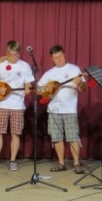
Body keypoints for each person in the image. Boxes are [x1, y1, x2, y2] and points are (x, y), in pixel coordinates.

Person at [0, 40, 34, 171]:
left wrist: (28, 89)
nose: (14, 57)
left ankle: (12, 161)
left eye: (16, 54)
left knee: (15, 133)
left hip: (18, 106)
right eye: (11, 54)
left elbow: (29, 84)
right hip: (2, 105)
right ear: (6, 53)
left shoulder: (25, 66)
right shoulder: (0, 65)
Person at [37, 44, 87, 174]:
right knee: (57, 137)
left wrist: (80, 83)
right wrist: (48, 89)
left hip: (69, 109)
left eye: (60, 56)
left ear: (64, 54)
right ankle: (61, 163)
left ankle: (76, 163)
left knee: (73, 137)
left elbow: (83, 89)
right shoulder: (50, 73)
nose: (58, 59)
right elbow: (38, 89)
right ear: (52, 59)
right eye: (55, 58)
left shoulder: (74, 69)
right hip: (54, 110)